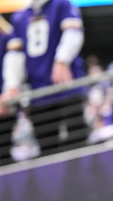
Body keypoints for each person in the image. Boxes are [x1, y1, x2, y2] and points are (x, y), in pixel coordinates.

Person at [1, 0, 86, 158]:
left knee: (78, 144)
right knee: (48, 152)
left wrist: (62, 60)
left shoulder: (61, 4)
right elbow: (14, 55)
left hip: (66, 88)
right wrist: (12, 85)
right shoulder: (20, 17)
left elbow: (73, 33)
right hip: (39, 96)